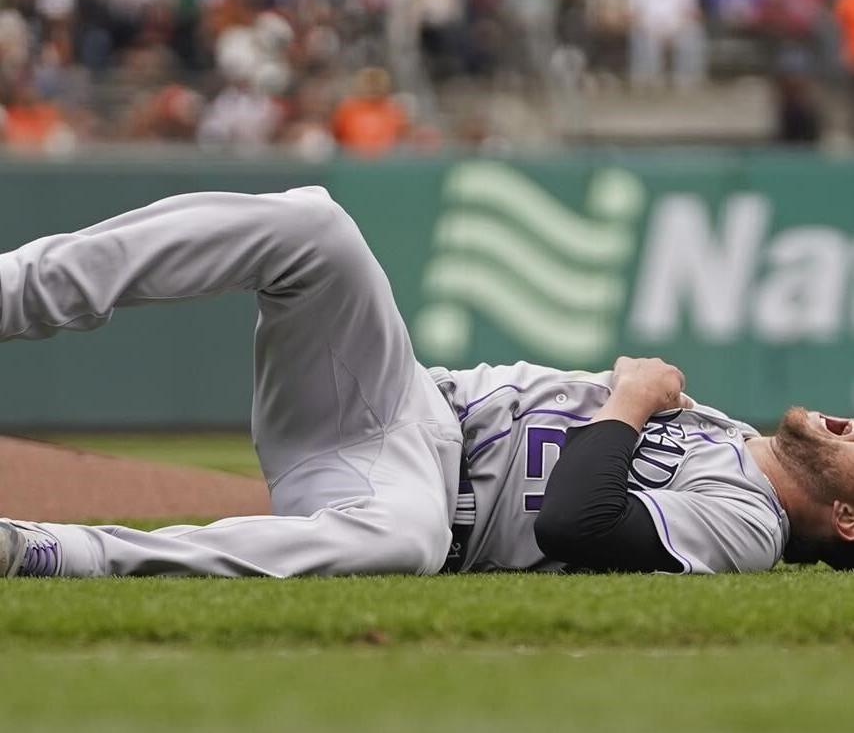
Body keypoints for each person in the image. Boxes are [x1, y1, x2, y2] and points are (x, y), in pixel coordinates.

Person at [1, 186, 853, 579]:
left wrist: (628, 401)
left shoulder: (747, 525)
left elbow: (576, 523)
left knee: (399, 544)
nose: (848, 422)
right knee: (314, 227)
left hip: (415, 497)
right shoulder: (721, 431)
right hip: (401, 395)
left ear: (848, 522)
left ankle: (49, 550)